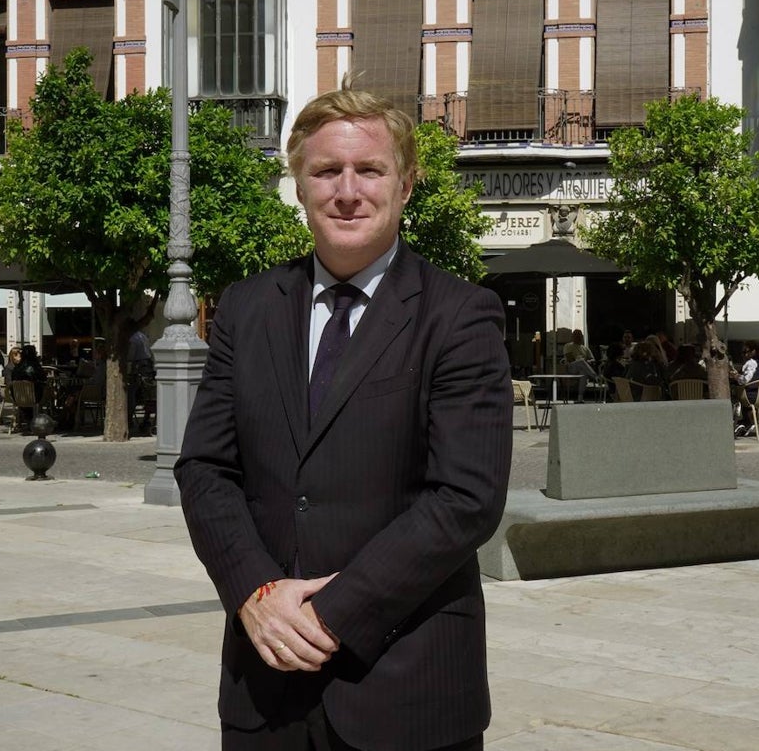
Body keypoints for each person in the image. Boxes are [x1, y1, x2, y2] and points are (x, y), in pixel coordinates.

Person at [176, 86, 513, 751]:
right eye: (327, 171)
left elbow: (466, 498)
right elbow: (204, 469)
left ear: (406, 186)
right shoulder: (246, 309)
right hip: (265, 685)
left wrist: (330, 614)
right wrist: (256, 594)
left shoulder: (460, 316)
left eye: (371, 170)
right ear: (298, 187)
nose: (348, 191)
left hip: (407, 687)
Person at [732, 340, 759, 437]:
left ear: (754, 351)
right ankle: (748, 420)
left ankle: (745, 421)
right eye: (743, 352)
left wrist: (735, 376)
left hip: (752, 396)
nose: (744, 354)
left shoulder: (751, 363)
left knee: (733, 394)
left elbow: (745, 380)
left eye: (746, 351)